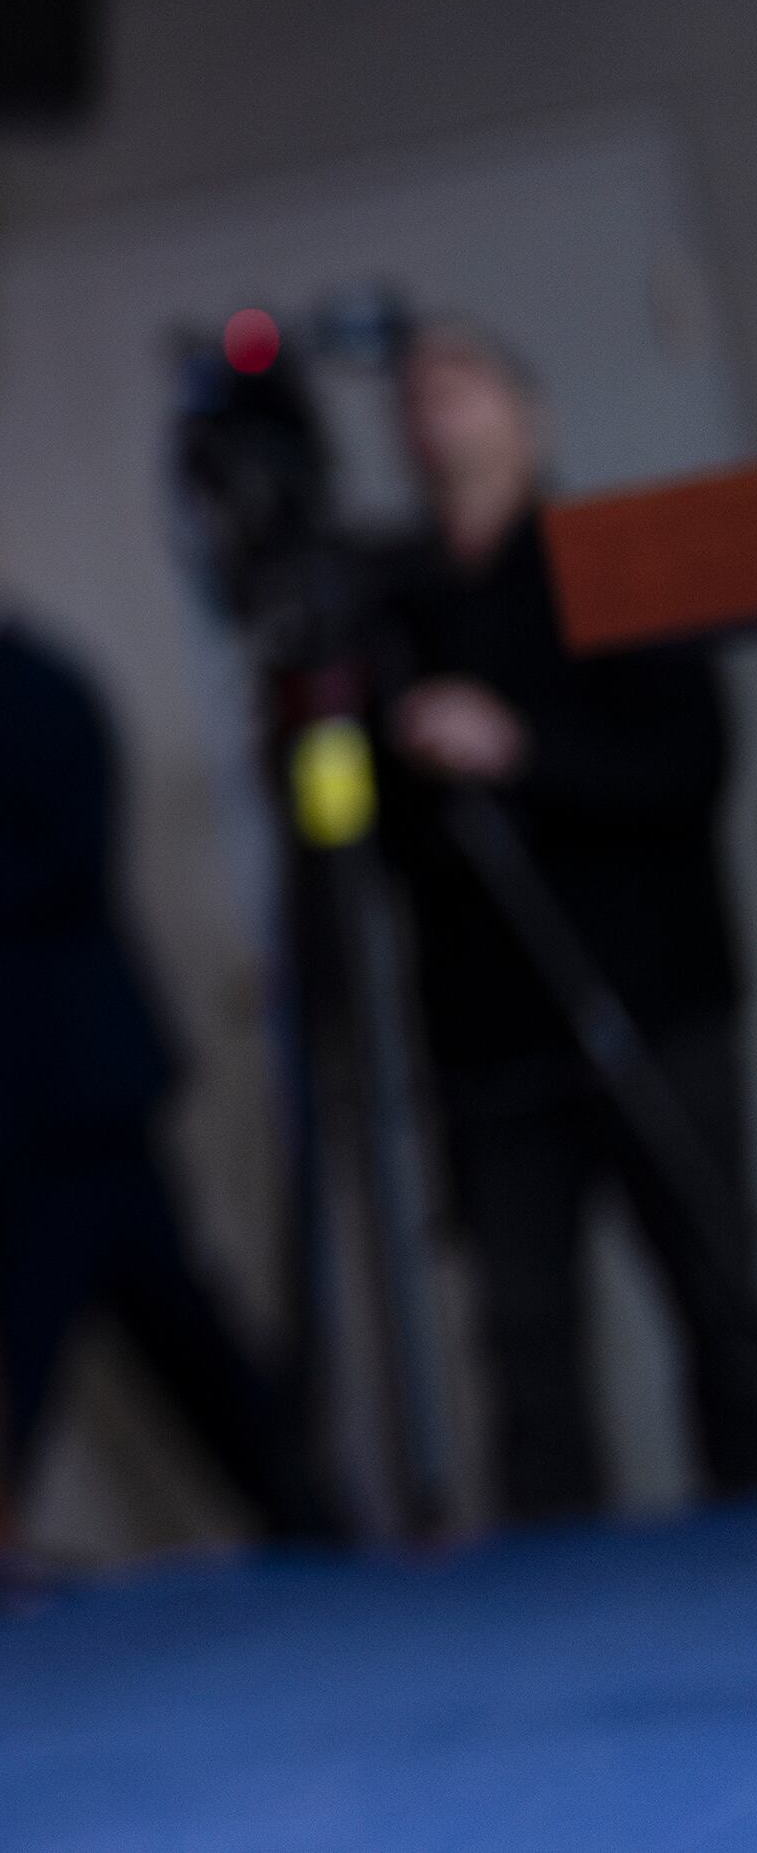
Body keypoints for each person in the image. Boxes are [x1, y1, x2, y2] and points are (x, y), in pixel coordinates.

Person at [0, 466, 324, 1539]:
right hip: (26, 1099)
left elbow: (69, 860)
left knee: (37, 1347)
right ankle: (305, 1515)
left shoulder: (34, 683)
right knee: (148, 1333)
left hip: (68, 1091)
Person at [380, 317, 757, 1520]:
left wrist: (520, 748)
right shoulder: (388, 613)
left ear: (524, 413)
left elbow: (688, 764)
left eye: (461, 378)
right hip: (489, 1039)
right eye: (415, 390)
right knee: (524, 1344)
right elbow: (371, 848)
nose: (435, 404)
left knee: (716, 1294)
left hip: (650, 1001)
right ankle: (544, 1618)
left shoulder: (613, 555)